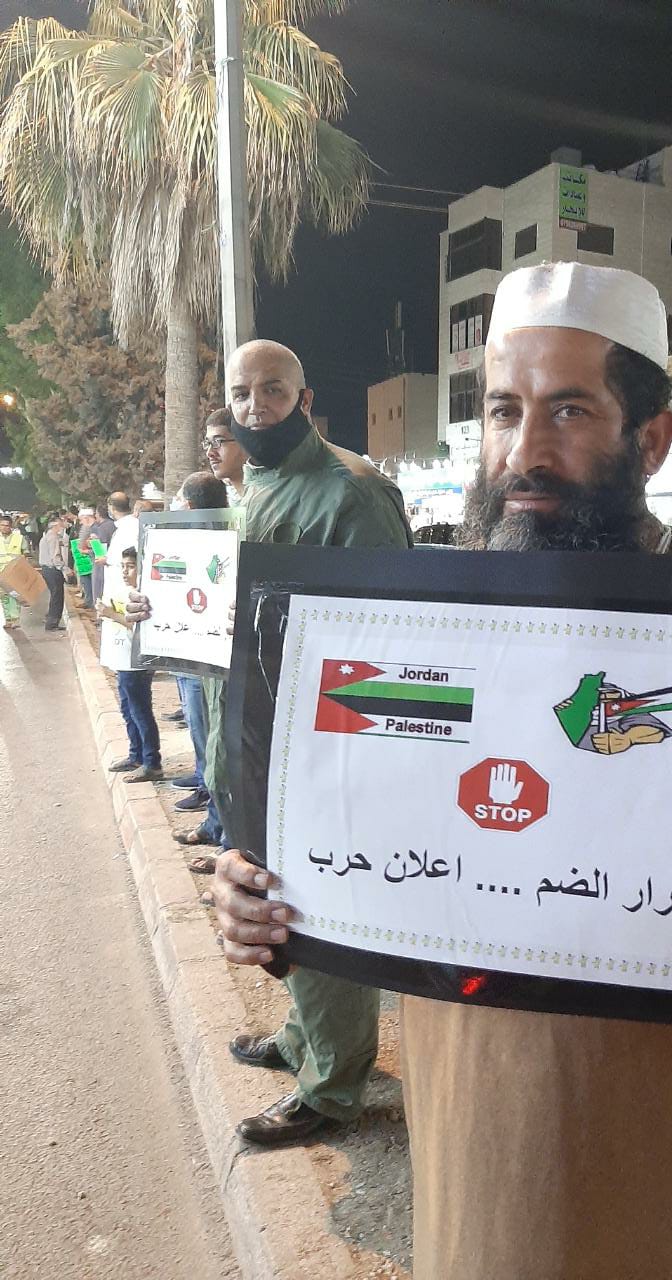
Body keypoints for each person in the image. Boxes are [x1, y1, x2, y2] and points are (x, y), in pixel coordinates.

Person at [215, 264, 672, 1280]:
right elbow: (341, 830)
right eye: (504, 411)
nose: (526, 451)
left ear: (652, 438)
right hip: (476, 1191)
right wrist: (262, 892)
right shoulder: (415, 623)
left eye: (569, 410)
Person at [130, 339, 413, 1147]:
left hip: (314, 747)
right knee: (271, 896)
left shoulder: (354, 493)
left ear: (305, 398)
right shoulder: (252, 484)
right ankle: (301, 1037)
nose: (256, 407)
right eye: (242, 393)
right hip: (245, 732)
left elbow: (390, 639)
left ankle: (333, 1086)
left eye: (274, 390)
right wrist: (167, 615)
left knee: (314, 904)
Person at [169, 470, 231, 862]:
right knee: (208, 743)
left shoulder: (216, 540)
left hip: (209, 662)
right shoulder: (190, 540)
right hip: (196, 653)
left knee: (214, 746)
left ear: (189, 505)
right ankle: (214, 823)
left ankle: (226, 837)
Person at [98, 547, 163, 783]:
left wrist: (110, 613)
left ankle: (151, 762)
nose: (125, 572)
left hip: (136, 664)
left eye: (131, 566)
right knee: (128, 710)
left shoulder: (145, 595)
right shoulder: (125, 590)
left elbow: (140, 628)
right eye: (123, 566)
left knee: (140, 711)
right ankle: (136, 755)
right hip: (122, 660)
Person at [203, 407, 248, 504]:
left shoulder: (271, 498)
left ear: (244, 443)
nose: (209, 453)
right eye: (208, 443)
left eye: (218, 441)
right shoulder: (225, 503)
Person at [38, 513, 69, 631]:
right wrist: (65, 569)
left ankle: (51, 620)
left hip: (47, 570)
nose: (62, 527)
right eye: (61, 525)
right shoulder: (53, 537)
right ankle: (52, 623)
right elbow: (55, 556)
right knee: (57, 597)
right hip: (52, 570)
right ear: (56, 526)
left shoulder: (47, 535)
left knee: (55, 595)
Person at [0, 513, 26, 630]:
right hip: (1, 573)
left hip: (15, 572)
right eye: (2, 525)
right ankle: (8, 619)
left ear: (11, 526)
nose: (4, 527)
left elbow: (26, 553)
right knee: (4, 597)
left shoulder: (19, 538)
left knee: (14, 595)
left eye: (7, 525)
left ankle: (15, 619)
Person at [89, 502, 116, 611]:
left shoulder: (102, 527)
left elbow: (100, 551)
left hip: (102, 564)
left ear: (99, 514)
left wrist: (94, 542)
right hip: (113, 563)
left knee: (99, 590)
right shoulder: (114, 525)